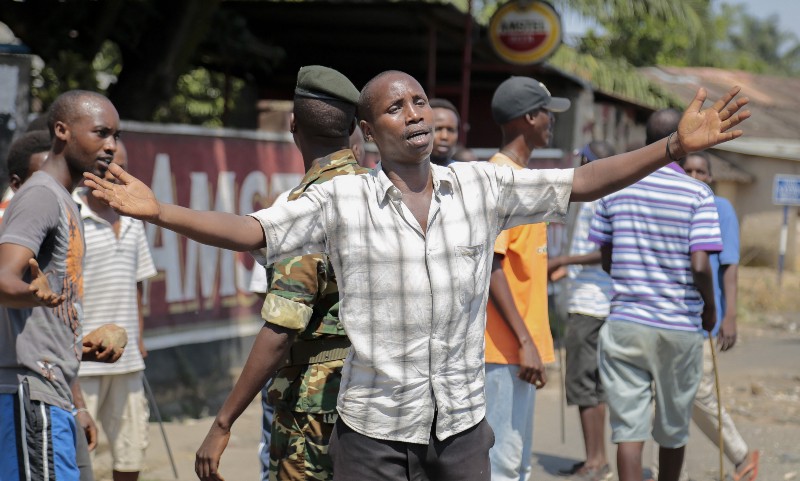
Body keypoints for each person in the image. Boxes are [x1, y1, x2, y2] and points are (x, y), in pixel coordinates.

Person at [84, 71, 749, 481]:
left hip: (459, 432)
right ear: (368, 132)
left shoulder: (480, 187)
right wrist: (160, 210)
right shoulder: (340, 201)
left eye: (422, 101)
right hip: (371, 434)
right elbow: (253, 230)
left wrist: (673, 147)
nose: (416, 112)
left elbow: (580, 182)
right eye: (396, 106)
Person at [194, 65, 368, 481]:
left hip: (317, 406)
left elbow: (280, 329)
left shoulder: (306, 208)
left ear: (293, 124)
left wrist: (223, 422)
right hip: (382, 398)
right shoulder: (385, 194)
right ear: (353, 129)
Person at [588, 107, 727, 481]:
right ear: (682, 143)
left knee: (628, 433)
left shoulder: (615, 188)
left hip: (625, 322)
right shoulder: (698, 193)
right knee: (673, 426)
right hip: (679, 325)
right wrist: (711, 311)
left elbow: (606, 259)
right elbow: (700, 267)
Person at [0, 90, 121, 481]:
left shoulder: (64, 199)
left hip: (50, 392)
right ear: (62, 130)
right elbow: (2, 279)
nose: (111, 147)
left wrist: (77, 347)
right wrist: (29, 293)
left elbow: (42, 310)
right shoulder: (39, 196)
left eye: (116, 136)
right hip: (29, 393)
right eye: (101, 133)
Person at [484, 76, 567, 481]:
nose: (552, 121)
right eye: (547, 113)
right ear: (529, 117)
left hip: (516, 350)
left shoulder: (519, 175)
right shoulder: (501, 179)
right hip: (501, 351)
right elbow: (492, 267)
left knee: (515, 465)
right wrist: (524, 342)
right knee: (503, 466)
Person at [75, 139, 158, 481]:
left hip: (126, 359)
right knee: (82, 455)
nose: (114, 174)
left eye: (120, 168)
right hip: (83, 359)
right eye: (107, 167)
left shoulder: (134, 219)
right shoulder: (70, 213)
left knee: (130, 450)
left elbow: (138, 285)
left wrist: (138, 336)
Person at [680, 151, 759, 481]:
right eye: (689, 170)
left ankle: (741, 457)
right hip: (671, 318)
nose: (695, 176)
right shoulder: (677, 205)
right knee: (663, 403)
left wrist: (729, 317)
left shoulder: (720, 208)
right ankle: (663, 471)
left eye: (701, 171)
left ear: (711, 177)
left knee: (701, 396)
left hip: (704, 321)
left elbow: (728, 268)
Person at [549, 141, 616, 481]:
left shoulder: (600, 197)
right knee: (594, 384)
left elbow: (607, 251)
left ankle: (595, 462)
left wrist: (564, 261)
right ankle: (596, 458)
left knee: (583, 383)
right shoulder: (605, 194)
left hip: (590, 303)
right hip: (595, 299)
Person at [0, 130, 51, 221]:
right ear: (16, 185)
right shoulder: (4, 225)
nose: (54, 187)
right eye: (42, 180)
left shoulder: (71, 217)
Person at [429, 98, 460, 166]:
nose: (444, 136)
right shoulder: (404, 172)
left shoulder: (461, 173)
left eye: (451, 130)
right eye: (437, 129)